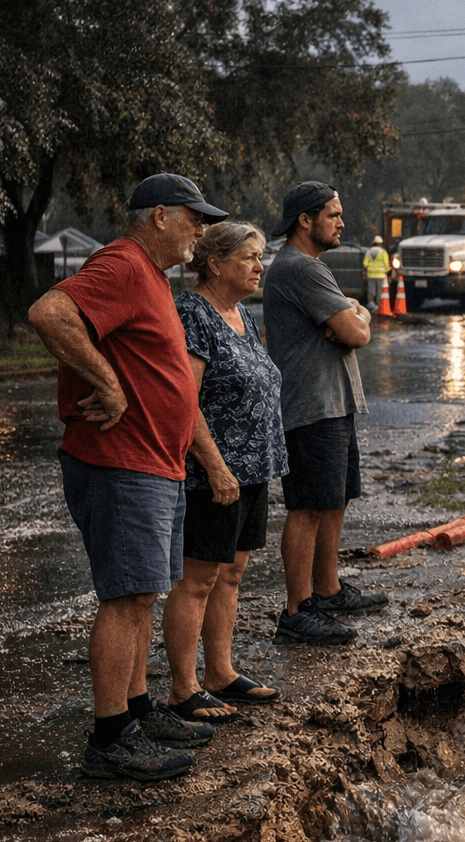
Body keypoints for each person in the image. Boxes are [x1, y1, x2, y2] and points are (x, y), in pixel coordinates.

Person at [28, 172, 227, 781]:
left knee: (143, 594)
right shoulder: (122, 264)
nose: (201, 229)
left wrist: (205, 460)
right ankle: (110, 737)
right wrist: (106, 381)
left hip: (155, 464)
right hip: (121, 463)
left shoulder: (155, 279)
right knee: (124, 599)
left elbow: (167, 380)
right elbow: (50, 311)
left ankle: (138, 712)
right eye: (194, 217)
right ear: (159, 216)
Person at [162, 221, 286, 722]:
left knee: (231, 575)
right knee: (198, 579)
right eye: (250, 257)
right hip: (213, 473)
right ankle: (183, 688)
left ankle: (221, 673)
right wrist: (214, 465)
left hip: (254, 469)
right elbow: (184, 400)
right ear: (216, 264)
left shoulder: (241, 314)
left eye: (261, 258)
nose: (259, 267)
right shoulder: (193, 313)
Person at [264, 181, 386, 645]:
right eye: (333, 215)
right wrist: (358, 319)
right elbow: (355, 332)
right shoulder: (300, 269)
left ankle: (328, 589)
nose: (341, 222)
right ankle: (298, 610)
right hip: (310, 408)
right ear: (305, 220)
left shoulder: (310, 267)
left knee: (334, 498)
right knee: (308, 506)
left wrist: (356, 317)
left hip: (332, 404)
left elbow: (352, 322)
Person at [362, 235, 389, 309]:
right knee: (380, 291)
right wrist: (387, 271)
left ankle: (371, 304)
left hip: (370, 274)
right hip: (381, 275)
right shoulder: (383, 252)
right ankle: (379, 305)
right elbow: (386, 265)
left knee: (371, 290)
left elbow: (365, 264)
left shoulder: (368, 251)